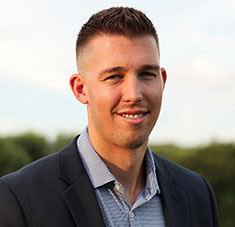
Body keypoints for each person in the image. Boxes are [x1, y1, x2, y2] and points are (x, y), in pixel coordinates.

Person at [0, 7, 219, 227]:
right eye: (114, 77)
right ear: (81, 89)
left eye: (146, 74)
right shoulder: (17, 200)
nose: (133, 94)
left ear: (162, 81)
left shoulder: (197, 194)